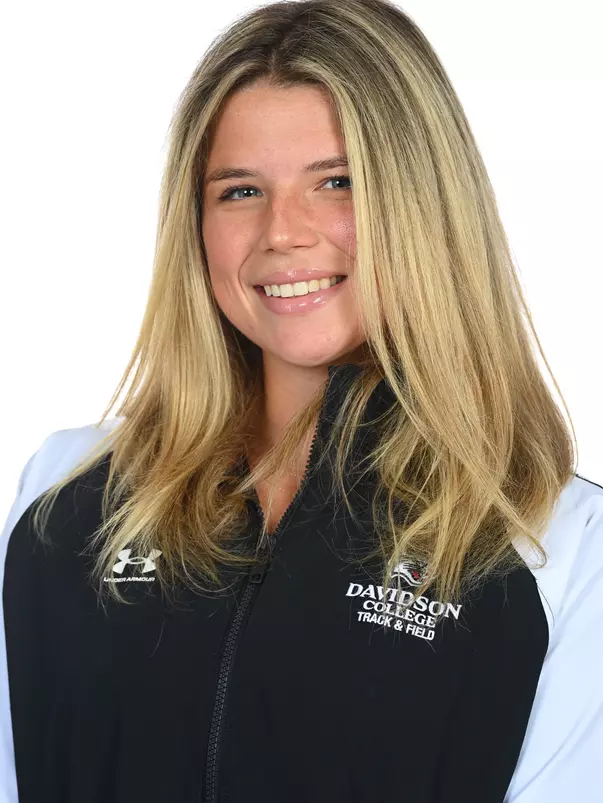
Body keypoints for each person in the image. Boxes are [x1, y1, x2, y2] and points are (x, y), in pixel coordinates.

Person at [1, 0, 602, 801]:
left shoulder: (556, 544)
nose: (283, 231)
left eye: (338, 181)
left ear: (425, 206)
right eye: (240, 190)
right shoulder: (64, 496)